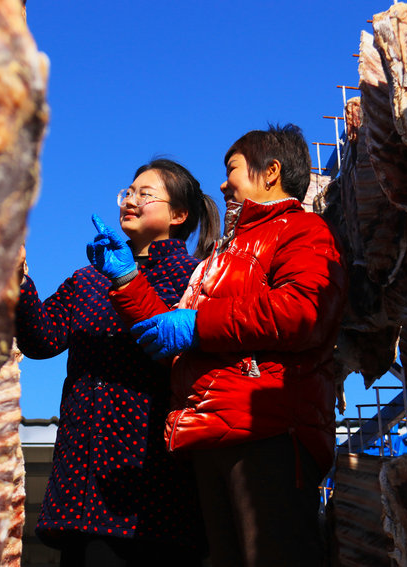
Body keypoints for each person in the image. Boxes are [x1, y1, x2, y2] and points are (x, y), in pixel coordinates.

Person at [88, 125, 348, 566]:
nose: (223, 183)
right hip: (210, 431)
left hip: (268, 432)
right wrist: (127, 279)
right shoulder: (223, 255)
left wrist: (199, 323)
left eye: (232, 170)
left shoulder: (303, 231)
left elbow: (304, 311)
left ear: (271, 172)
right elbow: (174, 331)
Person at [16, 158, 220, 566]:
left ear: (178, 215)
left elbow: (182, 356)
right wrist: (19, 280)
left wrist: (129, 280)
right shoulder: (87, 279)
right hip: (80, 479)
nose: (131, 200)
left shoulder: (197, 278)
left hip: (152, 483)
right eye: (128, 192)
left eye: (146, 194)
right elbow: (41, 339)